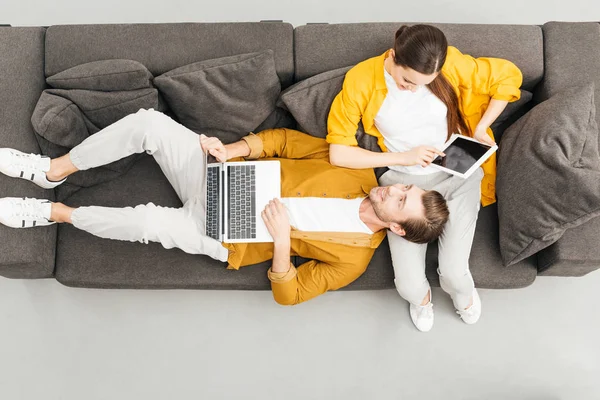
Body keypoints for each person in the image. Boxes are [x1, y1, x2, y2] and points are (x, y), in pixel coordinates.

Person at [0, 108, 449, 305]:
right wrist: (232, 151)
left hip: (224, 234)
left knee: (148, 222)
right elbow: (285, 140)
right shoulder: (357, 170)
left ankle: (52, 213)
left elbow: (289, 295)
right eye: (404, 188)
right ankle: (52, 170)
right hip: (221, 175)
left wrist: (282, 242)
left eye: (401, 201)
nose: (394, 191)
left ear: (398, 230)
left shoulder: (353, 260)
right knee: (148, 124)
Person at [327, 24, 523, 330]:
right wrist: (403, 158)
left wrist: (482, 127)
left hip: (457, 172)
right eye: (407, 81)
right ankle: (422, 301)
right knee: (408, 286)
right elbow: (338, 153)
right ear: (393, 56)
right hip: (403, 184)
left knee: (454, 274)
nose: (414, 88)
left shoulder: (449, 64)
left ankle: (464, 296)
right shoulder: (362, 79)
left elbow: (508, 76)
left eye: (425, 83)